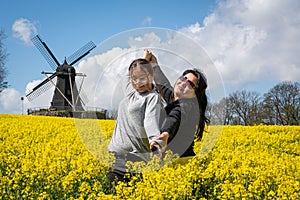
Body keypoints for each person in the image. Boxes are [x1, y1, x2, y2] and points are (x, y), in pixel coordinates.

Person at [108, 57, 164, 187]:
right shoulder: (131, 93)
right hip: (115, 155)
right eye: (134, 79)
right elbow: (125, 79)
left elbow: (151, 121)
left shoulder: (152, 97)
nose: (138, 82)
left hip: (134, 158)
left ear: (151, 76)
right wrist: (142, 61)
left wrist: (155, 145)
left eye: (142, 78)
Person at [144, 49, 209, 158]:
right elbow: (163, 85)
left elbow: (175, 117)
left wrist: (165, 133)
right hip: (174, 162)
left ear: (194, 94)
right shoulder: (174, 98)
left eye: (190, 84)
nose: (184, 83)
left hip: (183, 163)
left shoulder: (186, 107)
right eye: (184, 78)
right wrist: (154, 65)